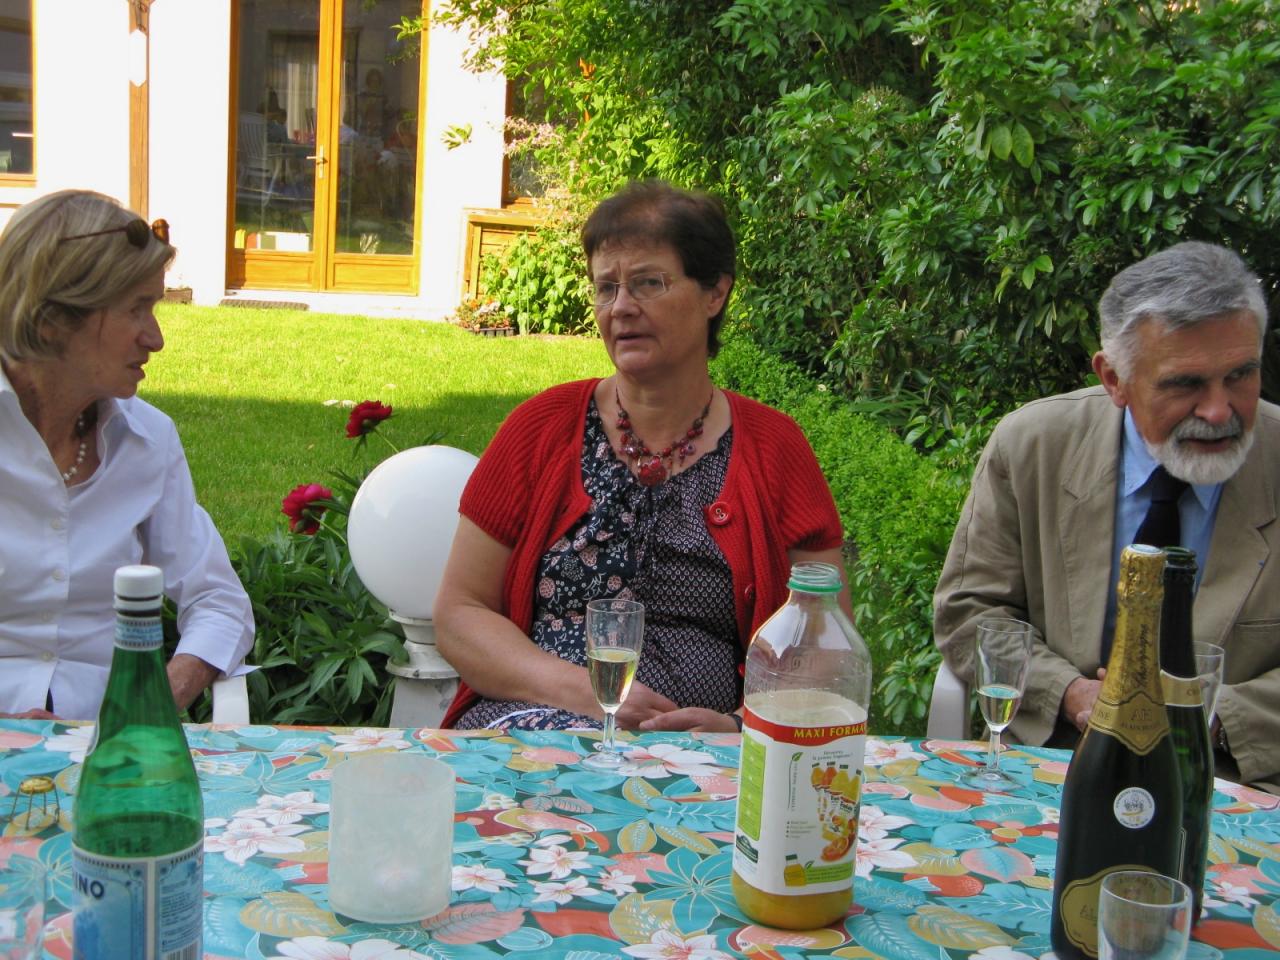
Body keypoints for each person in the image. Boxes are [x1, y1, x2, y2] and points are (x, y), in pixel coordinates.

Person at [436, 180, 848, 733]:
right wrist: (587, 693)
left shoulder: (775, 450)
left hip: (708, 754)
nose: (622, 307)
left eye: (648, 283)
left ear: (715, 293)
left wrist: (742, 727)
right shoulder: (540, 429)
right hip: (536, 728)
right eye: (606, 288)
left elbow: (825, 641)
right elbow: (460, 615)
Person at [934, 241, 1280, 792]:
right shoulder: (1033, 447)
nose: (1219, 410)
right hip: (1057, 764)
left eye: (1240, 375)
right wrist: (1070, 693)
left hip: (1237, 781)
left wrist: (1210, 717)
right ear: (1114, 379)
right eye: (1185, 384)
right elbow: (970, 610)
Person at [0, 189, 254, 721]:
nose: (156, 338)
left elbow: (217, 601)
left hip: (107, 749)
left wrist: (149, 704)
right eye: (136, 309)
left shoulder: (147, 439)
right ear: (53, 318)